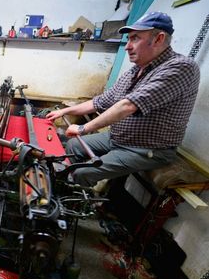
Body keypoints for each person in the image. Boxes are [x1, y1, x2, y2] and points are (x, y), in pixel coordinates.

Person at [46, 12, 200, 188]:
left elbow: (128, 106)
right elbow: (101, 101)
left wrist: (83, 127)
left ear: (158, 39)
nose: (127, 46)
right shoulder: (137, 69)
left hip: (146, 149)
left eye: (135, 39)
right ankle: (67, 181)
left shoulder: (181, 67)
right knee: (73, 146)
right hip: (118, 138)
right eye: (128, 39)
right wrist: (64, 111)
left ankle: (72, 202)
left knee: (84, 172)